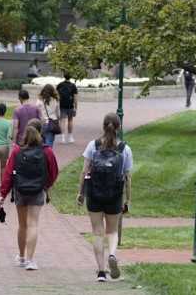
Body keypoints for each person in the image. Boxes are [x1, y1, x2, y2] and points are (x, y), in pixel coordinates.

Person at [75, 113, 133, 282]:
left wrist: (81, 193)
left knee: (98, 232)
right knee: (112, 231)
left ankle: (101, 272)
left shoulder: (93, 146)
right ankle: (112, 255)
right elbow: (128, 177)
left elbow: (84, 171)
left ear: (103, 127)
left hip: (95, 193)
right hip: (114, 195)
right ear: (119, 127)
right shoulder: (125, 149)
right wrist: (127, 199)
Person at [0, 124, 59, 271]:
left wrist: (3, 193)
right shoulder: (47, 151)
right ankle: (31, 260)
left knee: (22, 225)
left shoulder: (17, 151)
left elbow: (8, 173)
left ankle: (21, 257)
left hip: (20, 191)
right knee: (33, 224)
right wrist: (46, 185)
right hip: (37, 191)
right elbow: (54, 171)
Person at [56, 74, 78, 143]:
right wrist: (75, 107)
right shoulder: (73, 86)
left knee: (62, 121)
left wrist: (57, 105)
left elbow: (57, 96)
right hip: (70, 105)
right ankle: (70, 137)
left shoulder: (60, 85)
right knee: (70, 120)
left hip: (62, 105)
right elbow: (75, 98)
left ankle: (62, 138)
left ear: (64, 76)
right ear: (70, 77)